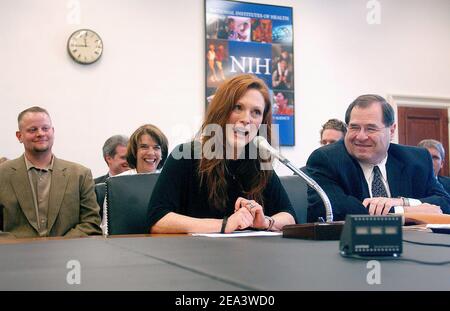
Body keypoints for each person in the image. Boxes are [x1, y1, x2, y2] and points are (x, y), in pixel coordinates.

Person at [148, 74, 296, 233]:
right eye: (238, 107)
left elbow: (290, 217)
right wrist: (224, 225)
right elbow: (157, 220)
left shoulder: (259, 162)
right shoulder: (185, 156)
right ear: (221, 111)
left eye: (256, 112)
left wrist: (266, 221)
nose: (246, 119)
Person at [306, 95, 450, 222]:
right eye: (354, 127)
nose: (361, 136)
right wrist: (404, 212)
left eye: (371, 128)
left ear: (391, 131)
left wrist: (401, 202)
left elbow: (444, 203)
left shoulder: (417, 160)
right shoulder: (326, 159)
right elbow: (333, 210)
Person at [0, 106, 101, 238]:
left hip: (67, 255)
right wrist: (18, 246)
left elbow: (91, 223)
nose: (40, 133)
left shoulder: (80, 175)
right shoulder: (3, 174)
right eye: (32, 129)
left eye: (45, 128)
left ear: (52, 131)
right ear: (19, 136)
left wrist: (57, 247)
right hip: (15, 255)